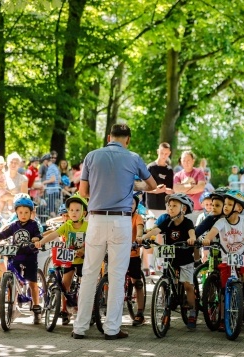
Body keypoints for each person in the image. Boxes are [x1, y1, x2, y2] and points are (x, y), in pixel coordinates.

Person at [72, 123, 156, 340]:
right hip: (121, 221)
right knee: (118, 276)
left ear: (109, 136)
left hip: (96, 219)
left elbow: (83, 191)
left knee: (89, 273)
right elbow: (152, 185)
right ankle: (111, 329)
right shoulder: (134, 158)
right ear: (127, 139)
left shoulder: (91, 156)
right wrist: (132, 186)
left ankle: (80, 328)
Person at [137, 193, 197, 329]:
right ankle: (167, 307)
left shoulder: (187, 222)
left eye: (174, 206)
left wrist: (192, 239)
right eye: (169, 206)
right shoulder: (167, 221)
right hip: (170, 258)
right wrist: (144, 237)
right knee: (168, 281)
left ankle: (192, 311)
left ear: (183, 209)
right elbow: (156, 230)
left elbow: (192, 232)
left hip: (185, 258)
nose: (170, 208)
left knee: (188, 285)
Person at [202, 189, 244, 321]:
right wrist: (207, 238)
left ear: (239, 208)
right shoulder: (221, 222)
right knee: (224, 289)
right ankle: (224, 318)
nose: (225, 206)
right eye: (225, 204)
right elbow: (212, 232)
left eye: (230, 204)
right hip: (227, 258)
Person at [0, 197, 43, 324]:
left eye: (26, 212)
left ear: (31, 213)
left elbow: (38, 235)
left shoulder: (33, 225)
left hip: (30, 256)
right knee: (13, 279)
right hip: (16, 255)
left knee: (32, 283)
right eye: (20, 212)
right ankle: (14, 305)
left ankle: (36, 307)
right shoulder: (14, 226)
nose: (23, 215)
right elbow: (4, 235)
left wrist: (36, 239)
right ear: (16, 212)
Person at [35, 194, 88, 325]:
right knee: (65, 284)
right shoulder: (67, 225)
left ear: (84, 212)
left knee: (85, 287)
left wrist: (83, 249)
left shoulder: (88, 226)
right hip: (69, 259)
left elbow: (92, 240)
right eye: (71, 210)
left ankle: (87, 310)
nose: (74, 213)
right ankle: (65, 310)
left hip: (83, 260)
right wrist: (41, 242)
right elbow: (55, 233)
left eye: (77, 210)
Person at [143, 142, 174, 275]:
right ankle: (149, 265)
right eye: (162, 153)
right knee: (151, 236)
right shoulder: (150, 167)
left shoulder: (169, 170)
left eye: (166, 154)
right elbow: (146, 188)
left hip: (164, 207)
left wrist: (167, 191)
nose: (164, 156)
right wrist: (156, 190)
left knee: (162, 237)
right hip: (152, 207)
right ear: (158, 151)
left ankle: (160, 264)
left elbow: (171, 189)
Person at [173, 150, 206, 224]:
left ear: (193, 161)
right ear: (181, 161)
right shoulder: (177, 175)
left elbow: (200, 188)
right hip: (183, 212)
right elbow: (176, 190)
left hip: (198, 211)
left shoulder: (199, 172)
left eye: (188, 160)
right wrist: (192, 185)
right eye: (184, 160)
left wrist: (183, 188)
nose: (186, 162)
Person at [129, 195, 146, 327]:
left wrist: (139, 237)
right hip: (118, 254)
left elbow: (139, 228)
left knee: (137, 283)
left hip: (133, 254)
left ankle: (140, 312)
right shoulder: (119, 217)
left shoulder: (137, 217)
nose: (129, 205)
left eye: (132, 203)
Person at [42, 153, 60, 217]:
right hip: (55, 190)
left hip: (52, 191)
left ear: (46, 161)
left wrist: (44, 182)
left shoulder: (51, 168)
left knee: (51, 210)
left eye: (43, 162)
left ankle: (55, 223)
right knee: (54, 209)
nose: (43, 164)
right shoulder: (54, 167)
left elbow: (53, 179)